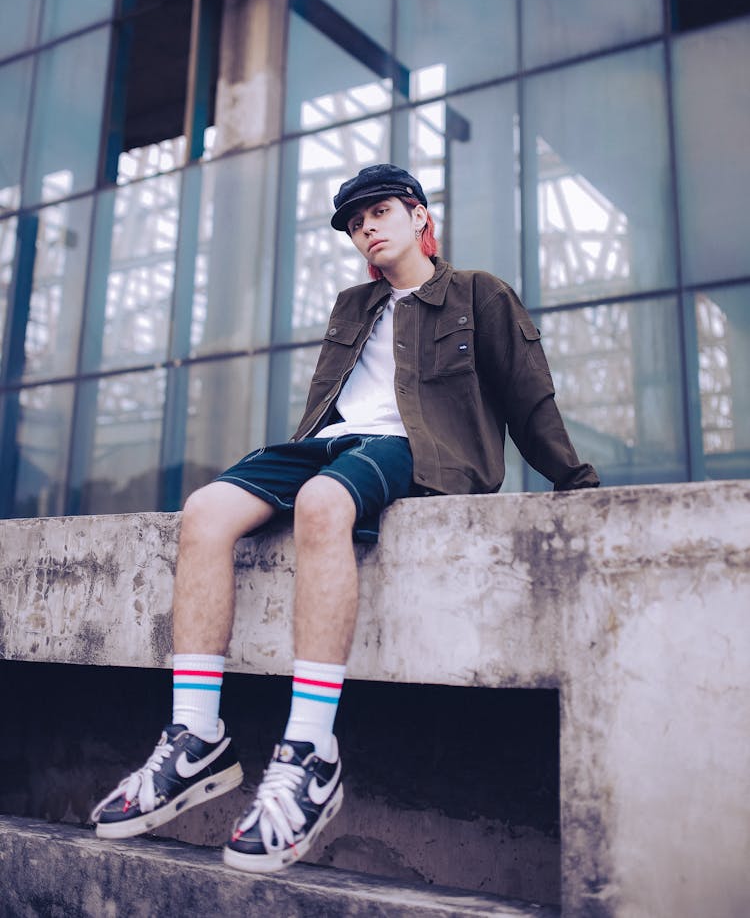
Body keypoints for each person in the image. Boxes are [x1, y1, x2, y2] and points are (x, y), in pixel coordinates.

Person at [91, 163, 599, 872]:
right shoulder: (353, 305)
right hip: (330, 446)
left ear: (421, 216)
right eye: (355, 221)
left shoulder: (478, 294)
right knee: (206, 509)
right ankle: (194, 734)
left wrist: (576, 483)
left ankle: (309, 752)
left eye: (380, 211)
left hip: (416, 453)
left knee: (322, 502)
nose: (367, 227)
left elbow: (529, 400)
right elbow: (327, 407)